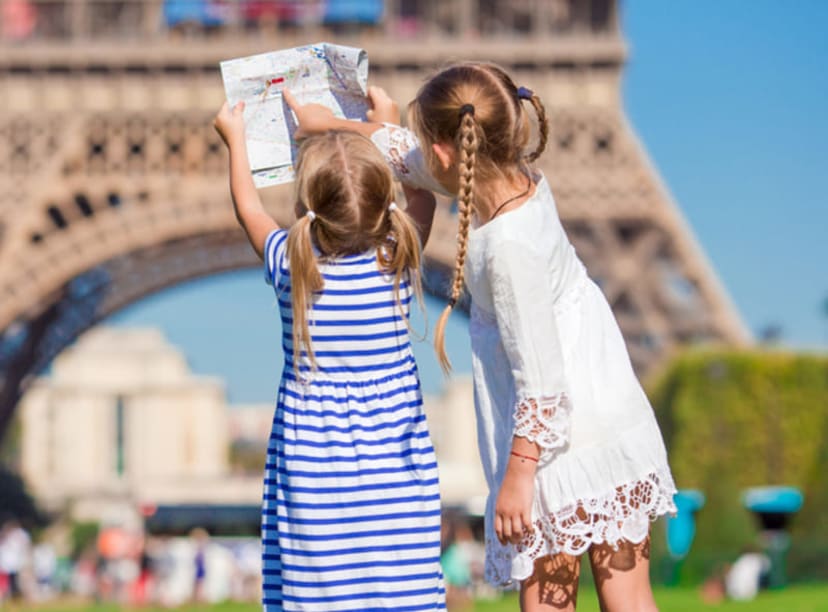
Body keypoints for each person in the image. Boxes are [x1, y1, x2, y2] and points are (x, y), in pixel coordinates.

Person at [286, 62, 677, 612]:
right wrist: (339, 125)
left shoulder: (506, 249)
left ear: (448, 152)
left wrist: (518, 479)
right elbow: (411, 157)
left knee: (545, 605)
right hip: (608, 422)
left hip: (551, 448)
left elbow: (542, 386)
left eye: (429, 147)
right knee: (632, 602)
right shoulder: (522, 182)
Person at [213, 100, 446, 610]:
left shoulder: (295, 270)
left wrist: (237, 141)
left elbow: (250, 209)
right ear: (386, 208)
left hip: (316, 480)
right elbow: (423, 194)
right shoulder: (396, 260)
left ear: (305, 209)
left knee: (320, 593)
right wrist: (387, 122)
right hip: (395, 479)